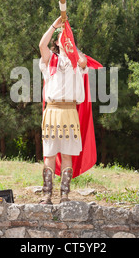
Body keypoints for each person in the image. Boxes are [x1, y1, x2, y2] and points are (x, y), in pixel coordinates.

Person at [38, 16, 89, 205]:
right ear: (56, 42)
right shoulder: (50, 60)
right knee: (50, 154)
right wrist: (54, 27)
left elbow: (83, 62)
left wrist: (71, 44)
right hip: (52, 111)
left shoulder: (77, 62)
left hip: (69, 111)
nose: (63, 38)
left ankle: (65, 195)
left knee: (67, 155)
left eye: (66, 37)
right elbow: (42, 45)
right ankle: (46, 195)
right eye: (61, 37)